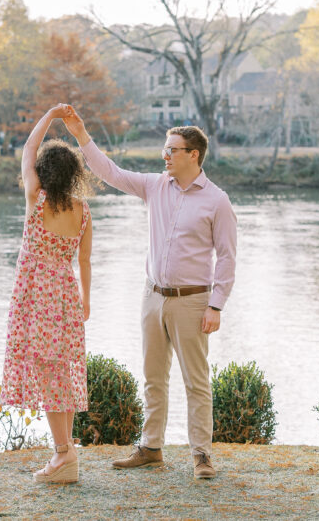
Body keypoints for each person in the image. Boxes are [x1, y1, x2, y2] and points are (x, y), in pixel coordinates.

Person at [62, 105, 236, 480]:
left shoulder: (217, 201)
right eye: (164, 149)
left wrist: (216, 305)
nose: (164, 156)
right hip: (152, 297)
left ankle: (202, 455)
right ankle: (151, 448)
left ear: (193, 154)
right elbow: (111, 173)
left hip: (193, 302)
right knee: (153, 378)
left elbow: (226, 258)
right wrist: (81, 136)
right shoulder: (155, 186)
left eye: (171, 150)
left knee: (196, 382)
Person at [0, 103, 93, 484]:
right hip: (66, 296)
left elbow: (27, 148)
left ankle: (62, 453)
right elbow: (84, 261)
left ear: (43, 171)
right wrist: (87, 300)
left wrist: (51, 114)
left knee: (50, 373)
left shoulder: (35, 199)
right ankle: (65, 452)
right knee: (61, 371)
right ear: (73, 175)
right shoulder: (82, 211)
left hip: (36, 298)